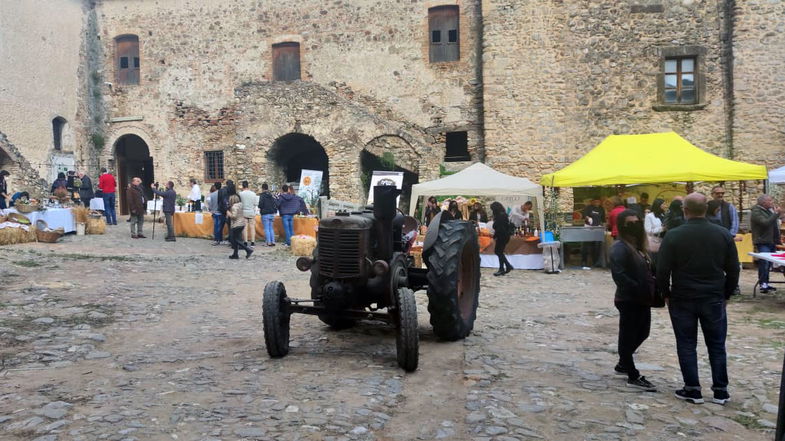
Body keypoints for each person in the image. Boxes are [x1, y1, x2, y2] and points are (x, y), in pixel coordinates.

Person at [657, 193, 739, 405]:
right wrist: (727, 293)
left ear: (685, 210)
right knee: (717, 345)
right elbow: (732, 269)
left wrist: (665, 293)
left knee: (686, 343)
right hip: (713, 296)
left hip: (683, 296)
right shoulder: (722, 234)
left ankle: (692, 388)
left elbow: (662, 269)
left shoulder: (673, 236)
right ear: (708, 209)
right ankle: (720, 390)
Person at [610, 209, 657, 391]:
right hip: (629, 299)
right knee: (627, 336)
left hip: (643, 298)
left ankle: (623, 361)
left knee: (643, 333)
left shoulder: (638, 247)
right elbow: (619, 276)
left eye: (637, 222)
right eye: (630, 223)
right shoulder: (620, 248)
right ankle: (632, 373)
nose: (634, 226)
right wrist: (636, 288)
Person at [751, 194, 784, 293]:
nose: (772, 202)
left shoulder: (768, 210)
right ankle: (763, 284)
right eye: (770, 201)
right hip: (762, 241)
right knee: (764, 262)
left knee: (769, 263)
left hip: (771, 240)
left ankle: (766, 282)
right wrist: (776, 213)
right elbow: (765, 223)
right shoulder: (756, 211)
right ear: (763, 202)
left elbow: (774, 224)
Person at [226, 194, 253, 259]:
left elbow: (234, 216)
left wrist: (229, 214)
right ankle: (235, 254)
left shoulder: (234, 207)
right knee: (236, 239)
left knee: (234, 240)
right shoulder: (240, 205)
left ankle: (248, 250)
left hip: (236, 225)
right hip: (241, 224)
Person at [490, 202, 513, 276]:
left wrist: (495, 236)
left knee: (498, 252)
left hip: (501, 236)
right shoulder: (504, 215)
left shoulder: (500, 216)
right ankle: (502, 268)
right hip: (504, 236)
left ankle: (506, 266)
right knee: (500, 252)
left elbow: (499, 228)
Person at [581, 199, 606, 268]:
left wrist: (604, 228)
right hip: (588, 228)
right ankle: (584, 261)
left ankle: (595, 262)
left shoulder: (601, 209)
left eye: (598, 201)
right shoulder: (588, 208)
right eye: (595, 201)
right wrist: (588, 218)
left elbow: (603, 220)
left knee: (597, 245)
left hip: (597, 228)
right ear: (592, 202)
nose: (597, 203)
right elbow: (585, 216)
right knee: (585, 245)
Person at [258, 182, 278, 247]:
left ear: (262, 188)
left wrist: (259, 206)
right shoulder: (271, 195)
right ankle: (273, 241)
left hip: (265, 213)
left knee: (266, 228)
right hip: (272, 213)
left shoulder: (262, 195)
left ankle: (268, 242)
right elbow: (275, 203)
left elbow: (260, 204)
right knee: (271, 228)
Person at [239, 181, 258, 247]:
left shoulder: (240, 194)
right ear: (248, 186)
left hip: (244, 211)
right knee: (252, 227)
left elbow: (239, 203)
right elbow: (256, 203)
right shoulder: (253, 194)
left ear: (243, 186)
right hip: (251, 211)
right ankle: (252, 242)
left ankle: (245, 242)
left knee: (245, 227)